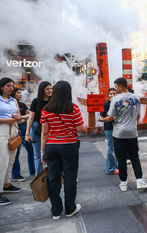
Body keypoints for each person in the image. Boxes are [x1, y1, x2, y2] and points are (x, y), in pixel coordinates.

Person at [40, 80, 84, 220]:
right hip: (69, 146)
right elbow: (80, 129)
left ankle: (56, 211)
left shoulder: (46, 109)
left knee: (53, 178)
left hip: (51, 147)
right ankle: (70, 208)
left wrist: (42, 151)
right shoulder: (73, 108)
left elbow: (44, 133)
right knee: (70, 177)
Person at [99, 77, 147, 192]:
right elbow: (137, 115)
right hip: (132, 132)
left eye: (116, 87)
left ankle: (123, 183)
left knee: (121, 158)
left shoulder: (116, 99)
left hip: (119, 133)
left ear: (121, 86)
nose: (116, 89)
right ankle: (139, 180)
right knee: (134, 157)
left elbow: (111, 117)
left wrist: (102, 120)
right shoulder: (136, 98)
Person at [0, 78, 22, 206]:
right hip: (2, 131)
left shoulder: (14, 100)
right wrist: (7, 120)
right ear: (2, 87)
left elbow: (18, 115)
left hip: (13, 130)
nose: (11, 88)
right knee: (2, 161)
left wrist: (18, 117)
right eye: (8, 86)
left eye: (12, 86)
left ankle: (7, 184)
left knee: (11, 160)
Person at [25, 81, 53, 176]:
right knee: (37, 155)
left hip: (51, 128)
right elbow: (31, 117)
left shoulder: (54, 100)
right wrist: (27, 133)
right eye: (47, 89)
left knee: (53, 154)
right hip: (37, 128)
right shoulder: (36, 101)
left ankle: (58, 176)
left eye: (51, 88)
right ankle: (38, 178)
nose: (50, 90)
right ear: (42, 90)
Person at [11, 87, 35, 181]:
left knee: (31, 149)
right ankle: (16, 175)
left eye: (20, 92)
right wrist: (22, 119)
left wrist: (22, 118)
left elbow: (30, 114)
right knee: (16, 152)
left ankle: (33, 170)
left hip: (25, 128)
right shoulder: (11, 104)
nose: (20, 94)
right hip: (18, 129)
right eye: (18, 93)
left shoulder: (22, 104)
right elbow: (18, 120)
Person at [100, 88, 119, 175]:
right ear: (108, 95)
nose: (112, 95)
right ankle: (110, 168)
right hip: (109, 127)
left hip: (116, 127)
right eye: (111, 93)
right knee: (111, 147)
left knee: (116, 147)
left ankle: (116, 166)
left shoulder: (117, 103)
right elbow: (106, 115)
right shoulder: (107, 104)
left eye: (114, 93)